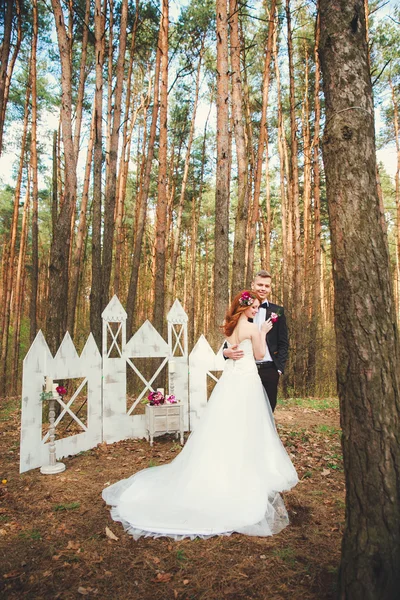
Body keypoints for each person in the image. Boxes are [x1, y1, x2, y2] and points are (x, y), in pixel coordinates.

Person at [102, 290, 298, 540]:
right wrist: (263, 333)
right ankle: (240, 471)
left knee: (225, 426)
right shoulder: (250, 328)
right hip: (246, 383)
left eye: (258, 307)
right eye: (254, 307)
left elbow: (228, 348)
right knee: (245, 426)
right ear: (245, 307)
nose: (256, 310)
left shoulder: (229, 327)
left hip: (231, 382)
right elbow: (260, 355)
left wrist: (231, 350)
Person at [223, 270, 288, 412]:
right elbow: (230, 335)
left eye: (267, 286)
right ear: (253, 285)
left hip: (269, 369)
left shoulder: (278, 311)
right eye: (260, 284)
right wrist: (225, 352)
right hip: (245, 368)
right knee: (244, 410)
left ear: (270, 288)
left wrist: (278, 369)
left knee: (268, 410)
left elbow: (284, 343)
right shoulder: (242, 312)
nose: (263, 288)